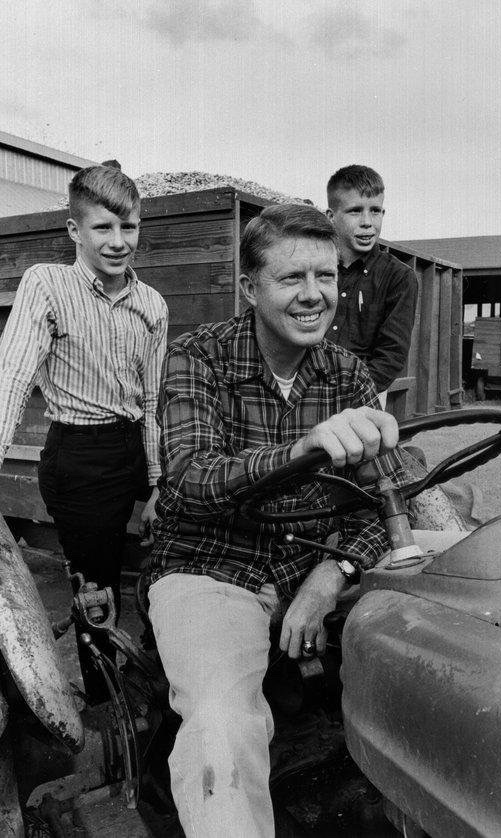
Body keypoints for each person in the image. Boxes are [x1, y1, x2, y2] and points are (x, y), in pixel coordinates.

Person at [147, 203, 429, 837]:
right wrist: (303, 451)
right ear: (250, 287)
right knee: (221, 720)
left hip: (311, 559)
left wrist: (331, 572)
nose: (314, 296)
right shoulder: (198, 358)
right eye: (292, 279)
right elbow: (190, 481)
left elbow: (381, 501)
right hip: (210, 565)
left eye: (326, 278)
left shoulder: (347, 372)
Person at [0, 165, 168, 701]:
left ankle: (166, 677)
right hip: (80, 456)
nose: (119, 243)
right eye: (103, 228)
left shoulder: (153, 305)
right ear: (75, 231)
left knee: (167, 561)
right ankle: (106, 699)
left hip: (136, 447)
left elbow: (152, 399)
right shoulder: (46, 284)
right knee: (96, 587)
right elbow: (13, 377)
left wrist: (159, 482)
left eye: (130, 227)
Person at [325, 164, 418, 408]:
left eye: (375, 211)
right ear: (330, 216)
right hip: (303, 395)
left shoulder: (399, 277)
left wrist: (350, 400)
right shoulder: (314, 269)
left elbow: (391, 355)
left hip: (362, 402)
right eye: (355, 211)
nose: (368, 222)